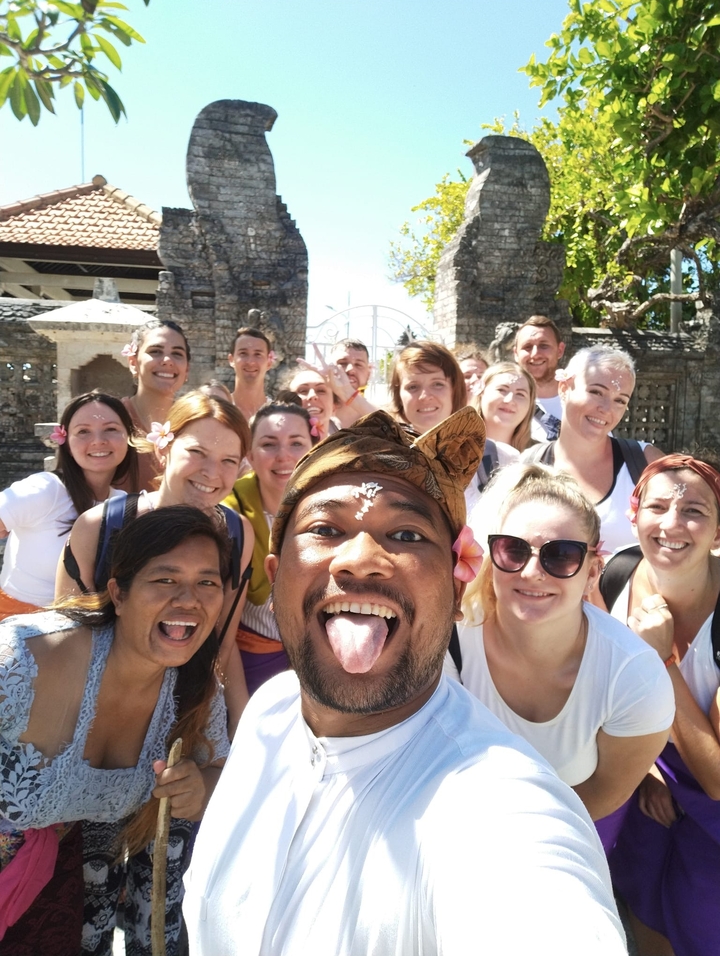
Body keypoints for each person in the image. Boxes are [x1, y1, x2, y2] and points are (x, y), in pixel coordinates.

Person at [184, 408, 628, 956]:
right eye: (325, 529)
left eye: (406, 534)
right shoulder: (269, 712)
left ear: (457, 583)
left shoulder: (497, 806)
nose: (361, 560)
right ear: (274, 581)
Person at [0, 506, 231, 955]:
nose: (189, 599)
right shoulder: (25, 659)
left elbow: (222, 771)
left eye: (207, 582)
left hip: (67, 908)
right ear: (118, 594)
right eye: (165, 579)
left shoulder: (195, 691)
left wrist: (199, 786)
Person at [446, 463, 674, 853]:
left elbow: (604, 793)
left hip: (567, 839)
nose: (532, 572)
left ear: (593, 572)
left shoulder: (634, 676)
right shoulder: (447, 641)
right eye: (513, 550)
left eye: (561, 555)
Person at [55, 391, 254, 730]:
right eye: (197, 452)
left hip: (183, 713)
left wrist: (242, 726)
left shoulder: (237, 533)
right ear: (163, 449)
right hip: (94, 712)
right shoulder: (99, 527)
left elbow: (220, 641)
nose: (211, 473)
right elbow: (65, 640)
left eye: (228, 461)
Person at [598, 455, 720, 956]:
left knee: (703, 919)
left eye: (694, 511)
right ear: (634, 515)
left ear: (718, 531)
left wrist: (663, 661)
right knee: (640, 892)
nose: (671, 524)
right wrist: (644, 767)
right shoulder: (616, 574)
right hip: (642, 764)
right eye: (657, 506)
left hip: (712, 791)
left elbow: (717, 780)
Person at [0, 391, 137, 621]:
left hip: (88, 627)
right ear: (66, 442)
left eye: (111, 429)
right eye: (83, 431)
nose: (98, 440)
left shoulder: (123, 504)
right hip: (18, 626)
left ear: (129, 437)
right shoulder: (46, 489)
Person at [522, 344, 665, 554]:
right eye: (596, 392)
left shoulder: (645, 463)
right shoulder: (527, 464)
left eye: (620, 400)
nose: (606, 409)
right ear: (564, 388)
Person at [223, 401, 314, 695]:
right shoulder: (229, 515)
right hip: (252, 659)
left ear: (315, 448)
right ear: (249, 455)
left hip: (320, 655)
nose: (283, 456)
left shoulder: (335, 506)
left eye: (296, 443)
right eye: (268, 444)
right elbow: (221, 627)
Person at [120, 318, 191, 490]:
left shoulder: (194, 424)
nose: (167, 360)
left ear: (187, 369)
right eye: (156, 351)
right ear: (133, 363)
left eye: (177, 354)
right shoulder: (112, 420)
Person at [388, 340, 466, 435]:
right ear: (399, 396)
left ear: (454, 391)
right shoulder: (380, 443)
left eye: (437, 384)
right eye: (413, 387)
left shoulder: (479, 443)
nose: (425, 396)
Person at [513, 315, 566, 440]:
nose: (535, 354)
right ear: (516, 353)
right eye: (527, 347)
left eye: (544, 346)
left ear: (560, 350)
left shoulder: (581, 403)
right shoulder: (504, 404)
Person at [473, 361, 536, 452]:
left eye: (520, 394)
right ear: (481, 393)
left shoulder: (542, 455)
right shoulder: (455, 447)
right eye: (502, 390)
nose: (509, 400)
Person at [227, 326, 275, 421]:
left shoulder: (279, 414)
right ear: (231, 360)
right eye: (243, 353)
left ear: (269, 363)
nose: (250, 362)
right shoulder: (219, 411)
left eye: (258, 354)